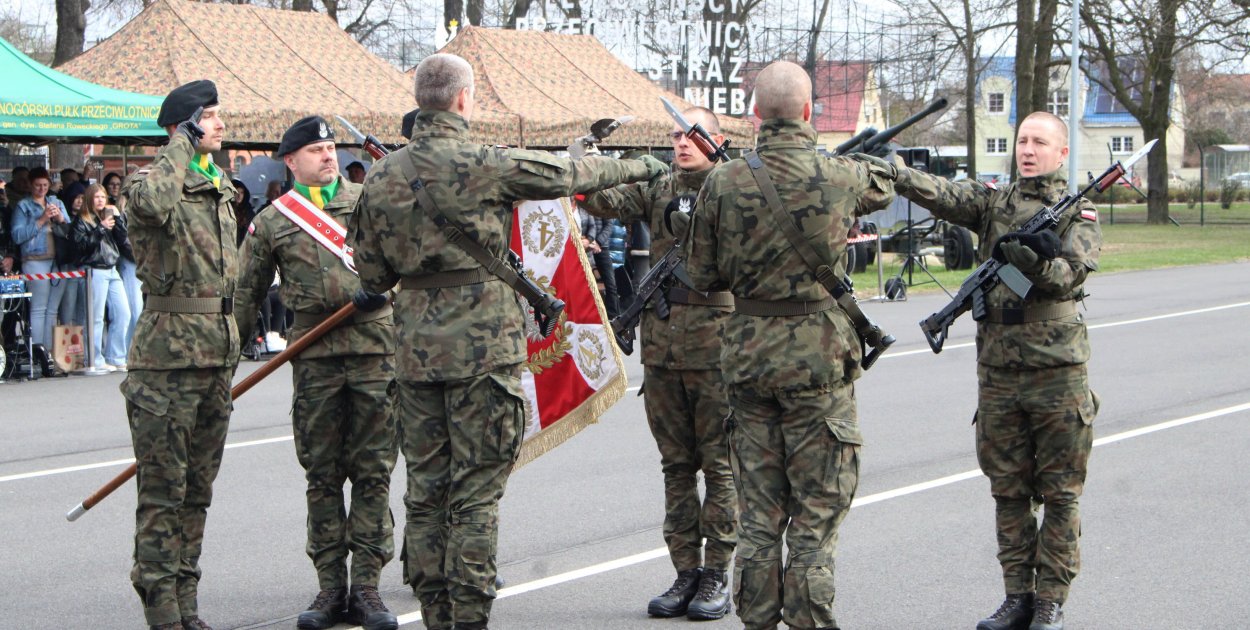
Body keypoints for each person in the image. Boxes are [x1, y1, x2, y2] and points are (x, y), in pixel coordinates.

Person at [348, 53, 666, 630]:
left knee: (425, 491)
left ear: (420, 99)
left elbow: (370, 276)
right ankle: (468, 617)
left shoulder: (382, 176)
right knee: (476, 495)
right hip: (483, 353)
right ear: (465, 99)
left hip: (415, 355)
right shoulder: (487, 163)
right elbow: (573, 177)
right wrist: (643, 164)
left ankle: (436, 612)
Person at [685, 61, 897, 630]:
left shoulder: (722, 182)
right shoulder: (839, 176)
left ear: (755, 115)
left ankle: (755, 620)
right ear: (809, 112)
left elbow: (701, 276)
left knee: (759, 518)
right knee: (815, 516)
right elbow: (884, 182)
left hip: (749, 361)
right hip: (818, 366)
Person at [892, 111, 1100, 630]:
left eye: (1039, 142)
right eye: (1022, 141)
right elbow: (943, 193)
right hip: (1000, 371)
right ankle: (1017, 596)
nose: (1027, 150)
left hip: (1058, 372)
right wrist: (895, 171)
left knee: (1059, 491)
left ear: (1062, 153)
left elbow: (1069, 277)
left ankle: (1050, 599)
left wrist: (1033, 262)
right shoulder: (994, 204)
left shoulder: (1080, 212)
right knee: (1007, 491)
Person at [235, 115, 400, 630]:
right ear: (291, 161)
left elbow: (408, 263)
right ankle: (331, 587)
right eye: (315, 150)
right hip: (314, 357)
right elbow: (247, 293)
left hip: (376, 352)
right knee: (323, 476)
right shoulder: (274, 220)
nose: (327, 156)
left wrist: (386, 287)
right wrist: (222, 363)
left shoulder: (367, 203)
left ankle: (368, 587)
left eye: (330, 148)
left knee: (373, 473)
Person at [578, 107, 737, 620]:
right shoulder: (659, 186)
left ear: (719, 140)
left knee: (721, 467)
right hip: (664, 351)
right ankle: (685, 571)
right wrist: (589, 155)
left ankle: (717, 573)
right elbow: (598, 198)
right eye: (676, 135)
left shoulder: (736, 186)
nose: (683, 143)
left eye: (694, 135)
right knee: (676, 467)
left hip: (717, 351)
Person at [119, 79, 239, 630]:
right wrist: (178, 147)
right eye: (208, 117)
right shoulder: (151, 183)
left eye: (216, 116)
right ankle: (162, 609)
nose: (219, 124)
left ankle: (187, 604)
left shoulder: (220, 188)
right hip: (166, 362)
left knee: (197, 491)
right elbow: (151, 208)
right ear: (181, 126)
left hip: (214, 356)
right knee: (163, 493)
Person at [9, 167, 71, 351]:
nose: (41, 189)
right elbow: (17, 235)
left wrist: (60, 217)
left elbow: (71, 229)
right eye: (37, 185)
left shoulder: (56, 201)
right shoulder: (23, 206)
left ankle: (51, 352)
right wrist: (42, 219)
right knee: (39, 308)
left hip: (58, 258)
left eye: (45, 185)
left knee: (53, 309)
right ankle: (38, 352)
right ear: (30, 185)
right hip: (35, 259)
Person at [72, 183, 130, 370]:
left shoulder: (106, 217)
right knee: (95, 317)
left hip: (112, 268)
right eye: (97, 197)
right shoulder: (82, 220)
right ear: (89, 199)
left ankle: (116, 355)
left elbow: (122, 240)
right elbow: (82, 246)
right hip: (93, 269)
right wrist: (101, 229)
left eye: (103, 197)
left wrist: (117, 218)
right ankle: (94, 358)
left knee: (123, 312)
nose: (100, 200)